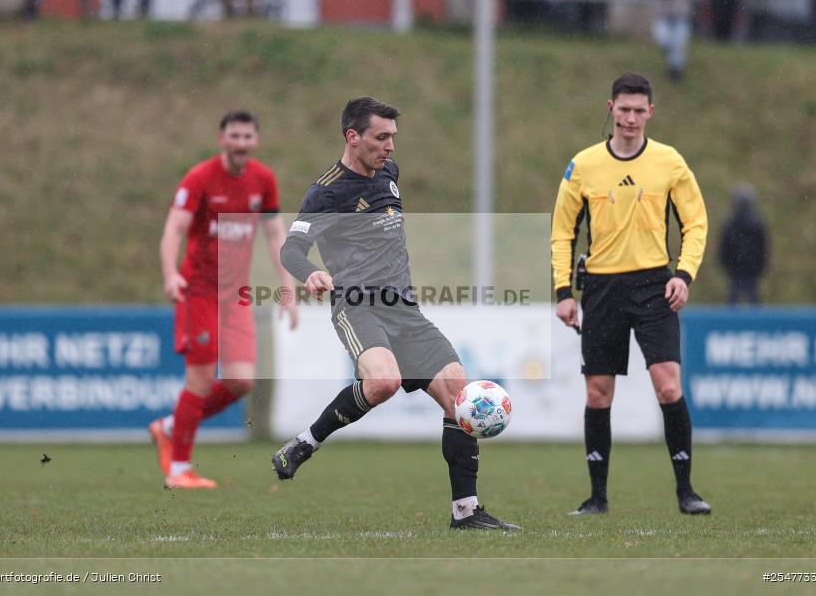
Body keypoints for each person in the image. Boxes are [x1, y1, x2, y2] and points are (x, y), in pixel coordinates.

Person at [272, 97, 519, 530]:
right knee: (383, 381)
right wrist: (310, 274)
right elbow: (291, 248)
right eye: (381, 137)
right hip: (357, 306)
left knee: (457, 393)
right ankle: (305, 443)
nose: (390, 147)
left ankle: (466, 512)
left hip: (404, 309)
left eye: (393, 138)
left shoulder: (389, 172)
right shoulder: (326, 191)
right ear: (353, 137)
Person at [551, 73, 711, 516]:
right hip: (601, 288)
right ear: (611, 108)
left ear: (650, 113)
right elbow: (563, 232)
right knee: (599, 393)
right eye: (624, 109)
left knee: (668, 383)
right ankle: (597, 497)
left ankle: (686, 491)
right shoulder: (582, 165)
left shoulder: (669, 162)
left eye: (639, 110)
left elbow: (695, 223)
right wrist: (564, 291)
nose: (631, 118)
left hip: (654, 286)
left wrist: (684, 274)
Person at [153, 110, 298, 489]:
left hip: (236, 295)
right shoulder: (200, 178)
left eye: (247, 136)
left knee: (241, 381)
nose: (240, 143)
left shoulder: (262, 179)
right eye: (234, 136)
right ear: (222, 139)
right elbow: (174, 230)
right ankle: (179, 469)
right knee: (200, 379)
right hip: (197, 290)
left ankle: (170, 426)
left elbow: (274, 234)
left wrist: (288, 286)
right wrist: (170, 275)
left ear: (256, 141)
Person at [719, 184, 768, 305]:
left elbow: (762, 248)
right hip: (740, 270)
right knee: (745, 299)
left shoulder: (733, 225)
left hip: (743, 270)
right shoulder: (733, 225)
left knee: (743, 299)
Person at [652, 0, 692, 82]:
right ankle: (672, 63)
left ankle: (675, 70)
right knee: (664, 41)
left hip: (680, 18)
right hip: (663, 17)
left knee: (678, 46)